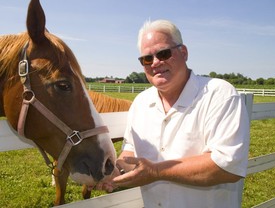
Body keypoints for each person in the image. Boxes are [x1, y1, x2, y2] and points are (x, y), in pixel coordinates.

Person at [97, 19, 250, 208]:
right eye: (147, 58)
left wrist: (156, 171)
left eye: (163, 53)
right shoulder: (141, 103)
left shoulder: (219, 94)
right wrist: (115, 171)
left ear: (183, 52)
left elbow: (227, 166)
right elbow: (131, 150)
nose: (155, 63)